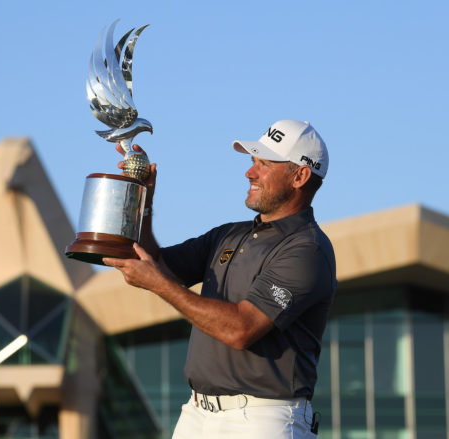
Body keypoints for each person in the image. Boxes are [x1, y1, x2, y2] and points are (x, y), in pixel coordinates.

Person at [103, 120, 337, 439]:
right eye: (253, 162)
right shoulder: (229, 234)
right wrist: (141, 200)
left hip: (263, 418)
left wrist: (159, 284)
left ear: (300, 175)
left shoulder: (307, 249)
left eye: (264, 164)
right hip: (196, 414)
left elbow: (242, 329)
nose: (249, 173)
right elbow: (154, 261)